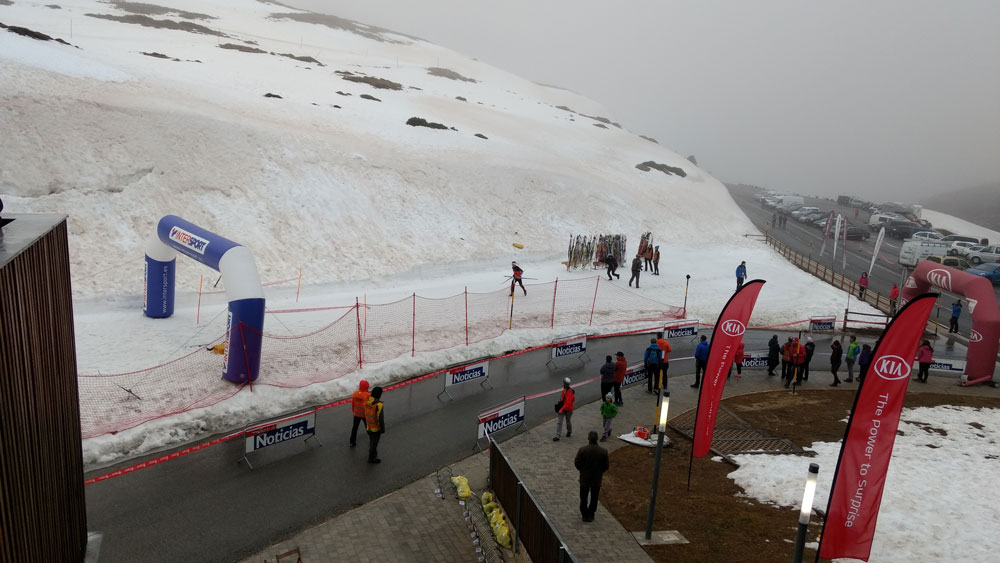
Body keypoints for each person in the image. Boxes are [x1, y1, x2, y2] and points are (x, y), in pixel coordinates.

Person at [574, 430, 609, 522]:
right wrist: (600, 471)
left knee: (583, 497)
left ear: (588, 438)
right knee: (594, 497)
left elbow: (577, 462)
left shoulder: (582, 450)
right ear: (597, 439)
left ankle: (584, 514)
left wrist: (582, 470)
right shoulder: (603, 451)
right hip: (596, 478)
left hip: (585, 477)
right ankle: (591, 514)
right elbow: (606, 466)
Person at [364, 386, 386, 464]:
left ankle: (374, 456)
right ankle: (371, 458)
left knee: (372, 442)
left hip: (368, 427)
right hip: (376, 428)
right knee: (374, 444)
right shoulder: (379, 405)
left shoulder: (367, 401)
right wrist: (382, 429)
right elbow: (380, 418)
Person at [349, 379, 370, 447]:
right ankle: (372, 439)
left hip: (356, 414)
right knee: (368, 427)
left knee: (354, 428)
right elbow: (369, 406)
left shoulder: (355, 393)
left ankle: (352, 441)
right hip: (364, 415)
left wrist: (354, 411)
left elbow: (353, 404)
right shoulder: (368, 395)